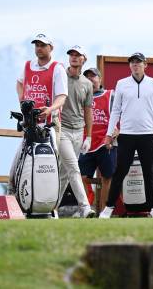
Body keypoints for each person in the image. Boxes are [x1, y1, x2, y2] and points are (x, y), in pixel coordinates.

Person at [98, 52, 153, 218]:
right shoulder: (121, 84)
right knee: (120, 171)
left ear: (145, 65)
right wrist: (109, 133)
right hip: (127, 134)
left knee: (149, 172)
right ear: (129, 65)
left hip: (148, 134)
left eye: (138, 62)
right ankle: (108, 208)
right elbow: (115, 110)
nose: (135, 65)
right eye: (132, 62)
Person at [8, 33, 67, 194]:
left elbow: (62, 97)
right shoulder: (28, 65)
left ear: (51, 48)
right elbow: (19, 83)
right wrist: (22, 100)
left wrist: (50, 109)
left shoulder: (57, 68)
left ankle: (49, 203)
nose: (39, 48)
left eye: (42, 45)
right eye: (37, 45)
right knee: (21, 161)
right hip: (30, 124)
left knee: (49, 164)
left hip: (50, 124)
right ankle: (17, 197)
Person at [56, 45, 95, 218]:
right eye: (71, 54)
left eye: (77, 55)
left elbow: (88, 111)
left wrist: (89, 136)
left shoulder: (87, 84)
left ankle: (52, 209)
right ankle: (85, 207)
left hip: (78, 132)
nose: (73, 57)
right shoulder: (60, 77)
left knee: (65, 174)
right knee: (73, 168)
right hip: (62, 129)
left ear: (83, 59)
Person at [79, 67, 118, 210]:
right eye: (87, 77)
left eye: (93, 76)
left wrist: (116, 131)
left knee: (107, 178)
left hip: (105, 143)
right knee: (81, 177)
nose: (90, 79)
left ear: (100, 79)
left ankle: (103, 212)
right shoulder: (81, 97)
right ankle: (87, 207)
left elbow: (121, 116)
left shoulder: (110, 95)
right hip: (86, 142)